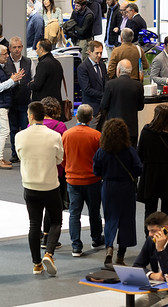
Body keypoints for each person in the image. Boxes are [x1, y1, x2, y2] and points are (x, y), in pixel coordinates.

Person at [15, 101, 64, 276]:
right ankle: (49, 253)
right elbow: (59, 159)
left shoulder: (20, 136)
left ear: (31, 116)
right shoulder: (55, 136)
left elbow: (20, 156)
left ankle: (36, 264)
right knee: (56, 221)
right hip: (50, 185)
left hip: (30, 185)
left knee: (34, 224)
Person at [93, 118, 142, 269]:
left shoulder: (101, 152)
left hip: (108, 187)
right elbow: (139, 169)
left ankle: (109, 247)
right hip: (126, 188)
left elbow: (96, 171)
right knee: (126, 221)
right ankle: (120, 256)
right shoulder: (129, 151)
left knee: (110, 219)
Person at [61, 104, 104, 257]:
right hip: (92, 179)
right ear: (91, 118)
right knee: (94, 211)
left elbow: (62, 158)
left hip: (73, 179)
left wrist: (69, 169)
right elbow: (101, 158)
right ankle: (96, 239)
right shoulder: (97, 135)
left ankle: (76, 246)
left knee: (74, 213)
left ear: (76, 116)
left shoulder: (66, 135)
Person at [137, 105, 168, 227]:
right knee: (167, 210)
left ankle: (149, 234)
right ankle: (165, 234)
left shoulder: (147, 132)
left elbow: (140, 154)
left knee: (150, 209)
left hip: (151, 174)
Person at [0, 44, 24, 170]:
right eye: (5, 54)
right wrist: (12, 80)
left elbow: (2, 85)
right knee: (4, 131)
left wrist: (14, 80)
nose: (7, 55)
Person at [40, 96, 68, 248]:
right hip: (56, 171)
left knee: (38, 207)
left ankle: (41, 236)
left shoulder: (32, 126)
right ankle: (49, 238)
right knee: (54, 207)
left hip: (36, 170)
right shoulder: (60, 126)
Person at [100, 59, 145, 146]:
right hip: (131, 129)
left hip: (113, 128)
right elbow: (140, 107)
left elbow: (104, 105)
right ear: (130, 71)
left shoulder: (110, 84)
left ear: (118, 70)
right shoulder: (138, 85)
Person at [4, 36, 32, 164]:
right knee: (13, 129)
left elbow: (33, 78)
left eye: (19, 47)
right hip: (10, 101)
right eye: (14, 47)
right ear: (9, 48)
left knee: (26, 128)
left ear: (22, 47)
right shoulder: (5, 63)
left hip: (25, 100)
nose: (17, 50)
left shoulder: (28, 62)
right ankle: (15, 153)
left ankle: (25, 153)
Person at [76, 40, 106, 126]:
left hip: (103, 108)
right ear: (89, 52)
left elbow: (105, 82)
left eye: (101, 53)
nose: (99, 55)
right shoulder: (83, 68)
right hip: (91, 109)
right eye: (97, 53)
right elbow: (86, 89)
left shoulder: (102, 65)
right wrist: (104, 94)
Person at [29, 38, 63, 103]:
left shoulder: (43, 64)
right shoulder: (57, 62)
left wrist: (30, 84)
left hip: (45, 103)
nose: (36, 50)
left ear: (41, 49)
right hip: (56, 102)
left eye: (37, 48)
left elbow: (37, 85)